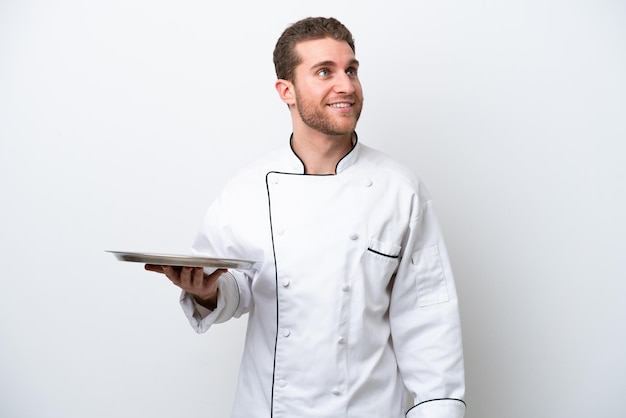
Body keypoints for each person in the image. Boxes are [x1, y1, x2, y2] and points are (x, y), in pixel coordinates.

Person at [146, 16, 466, 418]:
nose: (346, 85)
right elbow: (237, 288)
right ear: (287, 91)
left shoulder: (400, 191)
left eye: (351, 70)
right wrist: (206, 292)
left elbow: (428, 321)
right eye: (324, 72)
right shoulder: (247, 190)